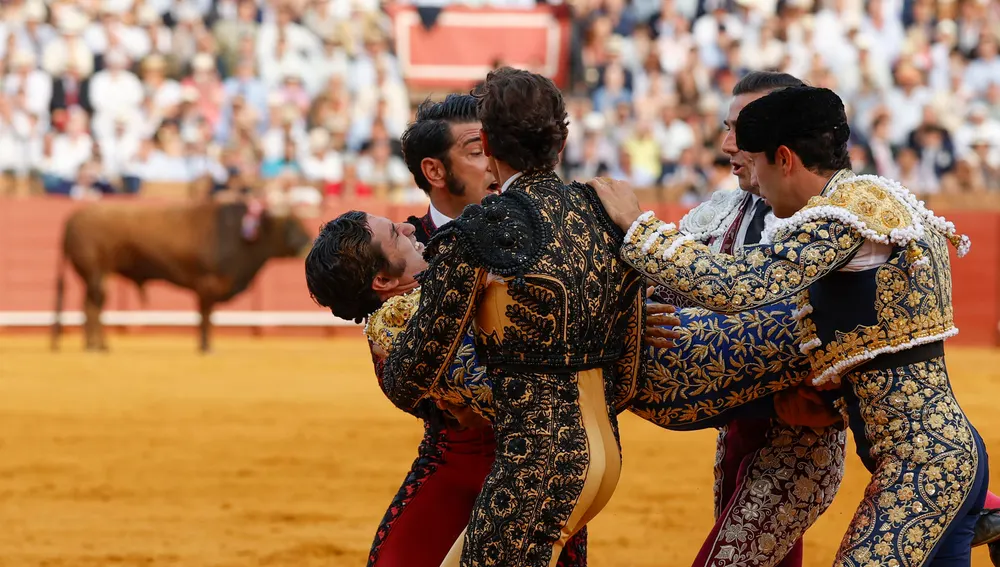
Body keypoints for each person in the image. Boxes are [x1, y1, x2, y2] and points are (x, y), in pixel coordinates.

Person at [593, 85, 990, 566]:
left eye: (757, 163)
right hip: (940, 457)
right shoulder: (876, 201)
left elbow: (733, 286)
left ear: (784, 158)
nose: (756, 185)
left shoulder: (843, 218)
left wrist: (637, 226)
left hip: (922, 470)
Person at [305, 94, 587, 567]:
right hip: (456, 456)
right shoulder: (402, 252)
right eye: (477, 151)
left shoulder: (546, 223)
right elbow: (402, 374)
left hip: (548, 459)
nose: (494, 161)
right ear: (435, 171)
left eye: (494, 147)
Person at [656, 70, 848, 567]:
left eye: (744, 130)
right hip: (738, 429)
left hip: (799, 435)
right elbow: (661, 284)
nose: (727, 145)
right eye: (729, 128)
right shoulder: (724, 211)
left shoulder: (837, 216)